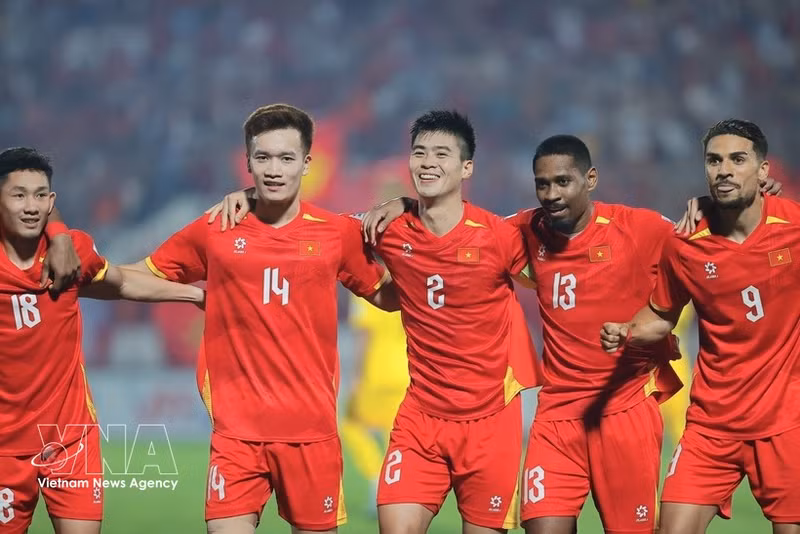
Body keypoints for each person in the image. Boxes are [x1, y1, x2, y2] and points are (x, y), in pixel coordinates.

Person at [208, 109, 541, 534]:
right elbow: (310, 224)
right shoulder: (387, 228)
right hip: (421, 416)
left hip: (491, 421)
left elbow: (556, 271)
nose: (428, 162)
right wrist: (252, 196)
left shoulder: (499, 236)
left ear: (466, 167)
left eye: (442, 154)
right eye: (419, 152)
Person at [127, 104, 397, 534]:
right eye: (263, 157)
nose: (274, 169)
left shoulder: (336, 232)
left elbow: (388, 296)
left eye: (286, 158)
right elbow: (134, 278)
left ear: (307, 163)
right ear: (248, 161)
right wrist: (73, 270)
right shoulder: (217, 227)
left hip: (312, 433)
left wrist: (414, 230)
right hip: (238, 434)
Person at [601, 119, 800, 534]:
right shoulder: (686, 242)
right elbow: (661, 316)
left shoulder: (794, 228)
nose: (723, 169)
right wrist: (627, 330)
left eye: (737, 159)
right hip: (712, 426)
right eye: (714, 160)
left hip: (786, 425)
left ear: (764, 171)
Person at [0, 147, 204, 534]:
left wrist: (196, 295)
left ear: (52, 201)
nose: (31, 206)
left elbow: (122, 282)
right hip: (4, 447)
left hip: (69, 440)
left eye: (40, 195)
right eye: (18, 195)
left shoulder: (73, 250)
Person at [339, 293, 409, 516]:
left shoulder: (367, 289)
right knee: (397, 436)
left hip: (375, 374)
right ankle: (396, 487)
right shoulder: (407, 284)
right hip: (405, 373)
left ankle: (376, 475)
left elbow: (363, 335)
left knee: (349, 425)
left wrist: (356, 377)